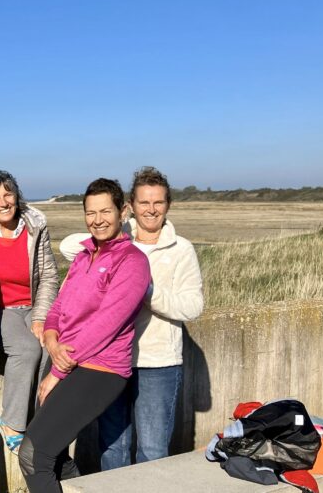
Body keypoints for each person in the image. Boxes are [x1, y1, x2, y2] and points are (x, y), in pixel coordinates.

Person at [58, 167, 204, 469]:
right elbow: (68, 246)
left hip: (157, 363)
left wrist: (143, 289)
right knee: (112, 447)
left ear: (168, 205)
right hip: (111, 362)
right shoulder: (117, 242)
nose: (151, 210)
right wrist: (107, 228)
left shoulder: (182, 249)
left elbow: (192, 306)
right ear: (130, 207)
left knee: (152, 452)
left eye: (158, 203)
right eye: (143, 203)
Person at [19, 178, 150, 492]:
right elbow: (59, 306)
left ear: (123, 211)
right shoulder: (82, 256)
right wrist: (51, 338)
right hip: (68, 360)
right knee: (55, 456)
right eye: (91, 213)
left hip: (100, 369)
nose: (98, 219)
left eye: (105, 211)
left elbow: (106, 325)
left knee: (33, 456)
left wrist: (58, 370)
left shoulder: (133, 262)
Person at [0, 169, 59, 453]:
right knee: (26, 350)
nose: (2, 202)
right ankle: (12, 422)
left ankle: (42, 419)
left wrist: (40, 317)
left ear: (16, 196)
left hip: (34, 304)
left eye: (7, 194)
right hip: (1, 309)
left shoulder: (34, 226)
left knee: (49, 348)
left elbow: (47, 275)